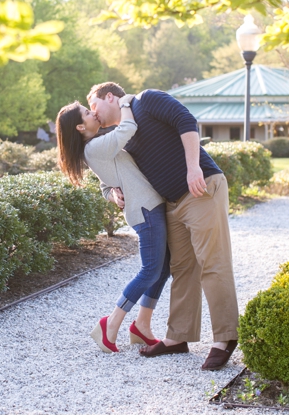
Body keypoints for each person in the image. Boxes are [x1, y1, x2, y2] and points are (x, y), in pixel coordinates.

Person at [88, 82, 238, 371]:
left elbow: (186, 120)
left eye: (93, 105)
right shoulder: (122, 133)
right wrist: (111, 193)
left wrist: (193, 166)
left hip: (201, 187)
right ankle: (178, 337)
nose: (93, 113)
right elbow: (109, 175)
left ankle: (225, 338)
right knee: (183, 268)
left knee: (212, 263)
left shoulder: (147, 100)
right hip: (170, 202)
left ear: (110, 97)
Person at [56, 95, 170, 353]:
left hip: (149, 205)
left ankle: (142, 326)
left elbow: (105, 181)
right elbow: (128, 128)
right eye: (87, 113)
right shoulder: (95, 147)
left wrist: (110, 193)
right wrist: (126, 102)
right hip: (145, 210)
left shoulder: (96, 145)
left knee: (162, 269)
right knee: (151, 270)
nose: (93, 113)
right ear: (79, 127)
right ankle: (111, 323)